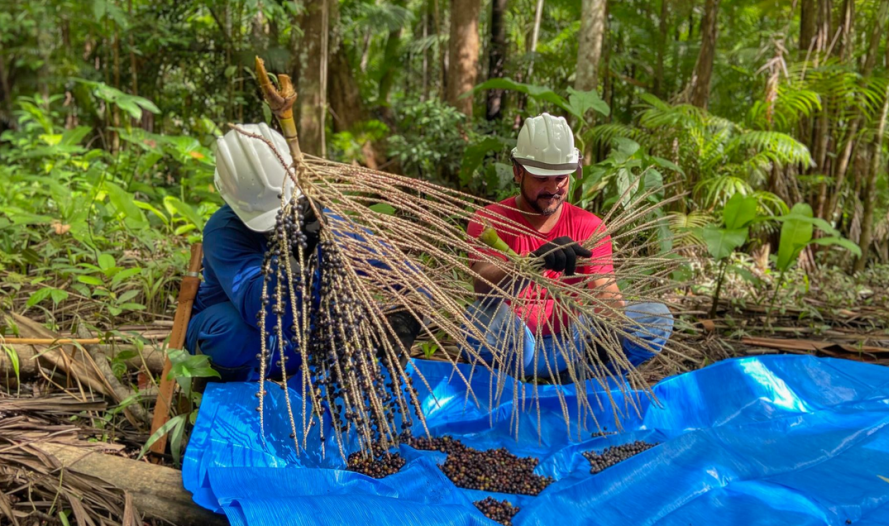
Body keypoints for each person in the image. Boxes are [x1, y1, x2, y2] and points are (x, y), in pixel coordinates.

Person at [187, 123, 420, 382]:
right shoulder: (224, 231)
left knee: (349, 325)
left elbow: (410, 277)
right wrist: (296, 257)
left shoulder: (327, 225)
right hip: (247, 340)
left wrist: (405, 321)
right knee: (232, 334)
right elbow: (262, 310)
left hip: (302, 337)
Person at [465, 113, 673, 379]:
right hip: (517, 347)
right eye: (542, 178)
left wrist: (611, 327)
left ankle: (590, 373)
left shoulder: (588, 225)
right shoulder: (489, 221)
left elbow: (606, 290)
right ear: (518, 171)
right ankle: (506, 385)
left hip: (574, 343)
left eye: (561, 178)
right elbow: (484, 289)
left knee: (654, 317)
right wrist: (531, 264)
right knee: (480, 322)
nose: (553, 188)